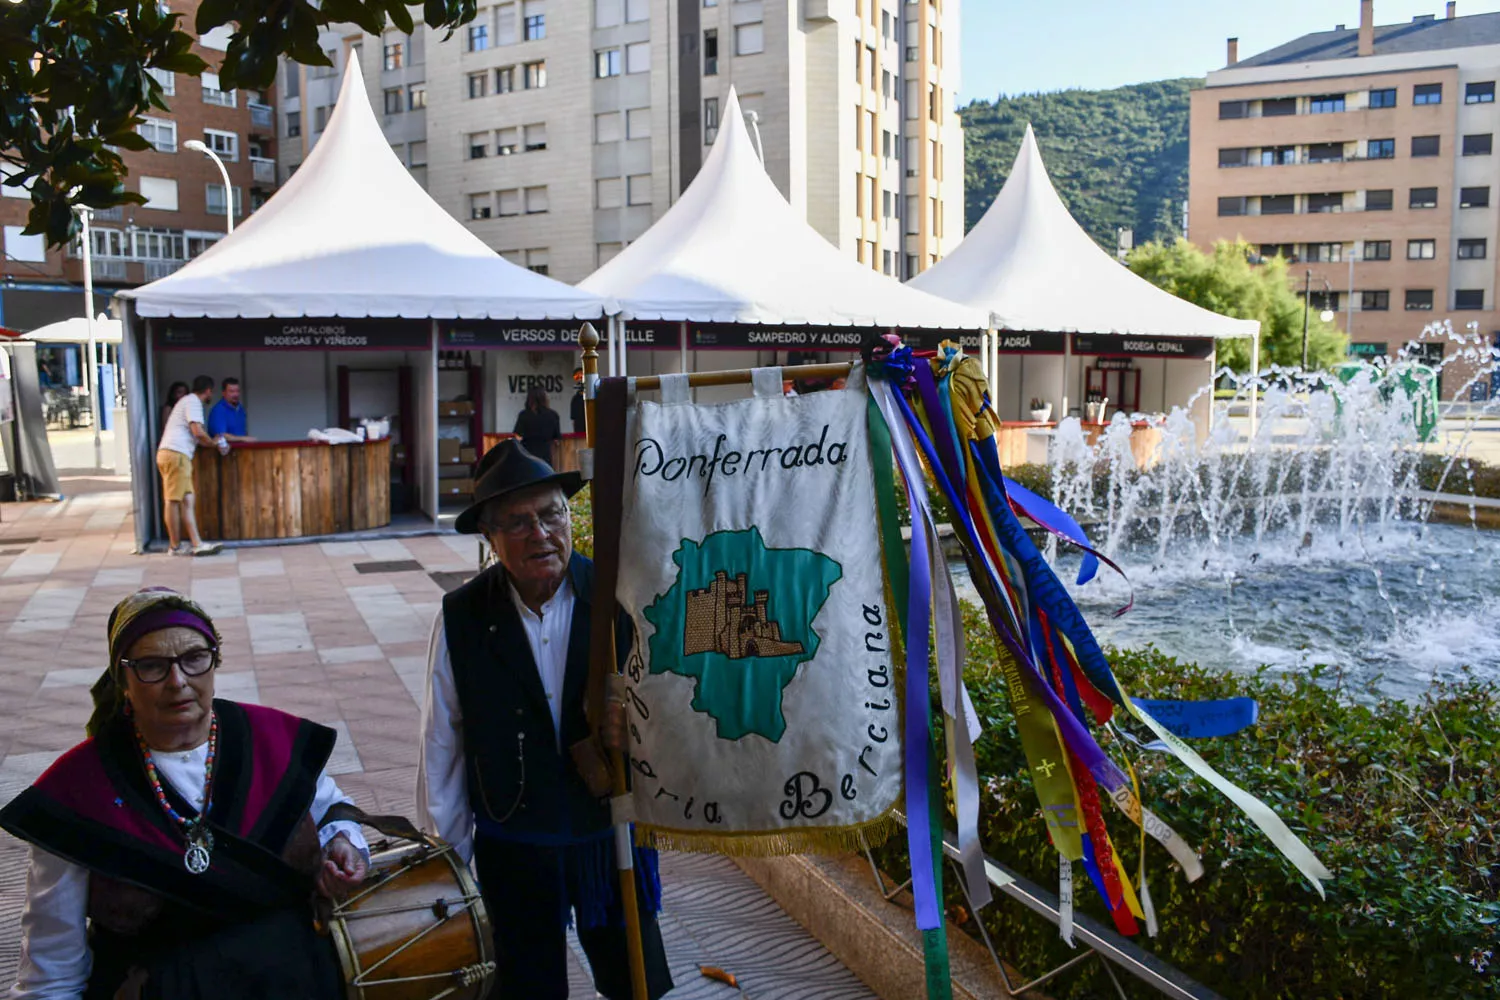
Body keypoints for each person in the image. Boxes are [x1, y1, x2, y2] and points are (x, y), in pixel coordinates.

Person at [0, 588, 369, 999]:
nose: (178, 682)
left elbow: (334, 810)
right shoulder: (79, 792)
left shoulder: (271, 739)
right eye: (152, 666)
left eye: (194, 659)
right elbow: (53, 971)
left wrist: (344, 843)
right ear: (122, 679)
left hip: (296, 981)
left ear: (215, 661)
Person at [417, 441, 673, 1000]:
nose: (541, 533)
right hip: (515, 834)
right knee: (527, 986)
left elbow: (667, 708)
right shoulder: (461, 618)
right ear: (490, 536)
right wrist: (450, 864)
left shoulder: (615, 595)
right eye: (518, 521)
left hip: (608, 831)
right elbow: (444, 742)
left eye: (552, 514)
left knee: (636, 981)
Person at [156, 376, 221, 557]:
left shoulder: (186, 401)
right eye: (211, 392)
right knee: (174, 500)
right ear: (208, 390)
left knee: (187, 500)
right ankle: (175, 547)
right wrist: (214, 443)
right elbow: (197, 431)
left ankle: (196, 543)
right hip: (177, 454)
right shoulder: (193, 402)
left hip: (176, 455)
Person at [512, 386, 562, 466]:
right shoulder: (553, 415)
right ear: (544, 398)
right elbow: (557, 440)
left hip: (527, 456)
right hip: (546, 457)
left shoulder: (524, 415)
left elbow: (518, 437)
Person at [205, 377, 254, 443]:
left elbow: (243, 432)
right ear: (223, 393)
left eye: (237, 391)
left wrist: (245, 438)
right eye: (232, 391)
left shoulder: (241, 409)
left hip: (241, 450)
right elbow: (220, 435)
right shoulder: (218, 410)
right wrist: (243, 438)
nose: (236, 394)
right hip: (224, 452)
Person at [569, 367, 586, 435]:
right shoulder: (575, 399)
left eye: (581, 376)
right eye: (577, 377)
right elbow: (574, 420)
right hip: (580, 433)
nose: (580, 379)